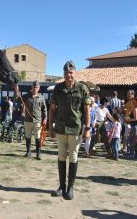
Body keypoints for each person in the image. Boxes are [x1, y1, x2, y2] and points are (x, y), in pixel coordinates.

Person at [49, 61, 91, 200]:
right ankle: (62, 186)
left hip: (75, 129)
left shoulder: (82, 88)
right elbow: (52, 110)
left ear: (75, 73)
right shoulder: (58, 88)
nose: (69, 75)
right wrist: (50, 127)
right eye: (66, 73)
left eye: (71, 72)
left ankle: (70, 187)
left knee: (73, 157)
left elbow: (87, 111)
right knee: (61, 156)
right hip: (60, 128)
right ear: (63, 73)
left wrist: (88, 128)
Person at [21, 80, 47, 160]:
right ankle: (28, 152)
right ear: (31, 87)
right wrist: (17, 93)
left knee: (38, 137)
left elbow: (44, 109)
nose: (35, 88)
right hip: (27, 120)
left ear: (38, 88)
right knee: (28, 137)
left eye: (36, 87)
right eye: (33, 87)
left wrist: (45, 118)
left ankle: (38, 154)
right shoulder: (26, 96)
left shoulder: (41, 98)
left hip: (37, 121)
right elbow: (19, 100)